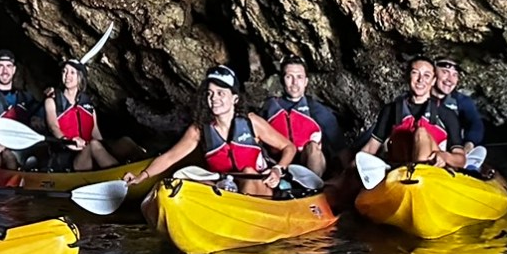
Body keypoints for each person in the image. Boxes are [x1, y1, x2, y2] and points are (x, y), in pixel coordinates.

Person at [127, 65, 301, 200]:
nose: (214, 98)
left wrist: (278, 170)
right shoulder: (199, 130)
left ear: (235, 98)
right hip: (225, 187)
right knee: (182, 182)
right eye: (210, 94)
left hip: (258, 187)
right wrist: (141, 177)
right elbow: (170, 157)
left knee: (248, 172)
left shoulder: (252, 122)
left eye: (220, 93)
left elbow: (289, 147)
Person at [361, 55, 472, 170]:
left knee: (421, 133)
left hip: (431, 173)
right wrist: (352, 167)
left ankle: (419, 173)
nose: (420, 80)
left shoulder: (446, 114)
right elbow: (370, 148)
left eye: (426, 75)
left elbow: (461, 159)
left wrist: (445, 156)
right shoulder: (391, 110)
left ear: (433, 81)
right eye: (415, 73)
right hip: (399, 171)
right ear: (407, 76)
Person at [263, 55, 341, 179]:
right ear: (282, 80)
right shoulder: (270, 108)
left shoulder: (318, 110)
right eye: (289, 77)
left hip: (308, 165)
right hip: (278, 165)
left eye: (299, 77)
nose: (294, 83)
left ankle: (314, 189)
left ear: (306, 81)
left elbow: (340, 149)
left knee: (313, 147)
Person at [42, 59, 118, 170]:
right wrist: (67, 141)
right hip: (68, 159)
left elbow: (95, 133)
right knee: (93, 145)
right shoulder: (51, 101)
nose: (67, 75)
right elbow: (53, 127)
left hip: (89, 151)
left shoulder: (88, 105)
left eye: (72, 72)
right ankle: (122, 176)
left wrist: (107, 149)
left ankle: (142, 170)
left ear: (80, 77)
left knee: (125, 142)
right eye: (64, 71)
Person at [433, 57, 487, 146]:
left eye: (454, 75)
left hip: (452, 150)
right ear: (433, 73)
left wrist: (469, 143)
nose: (450, 79)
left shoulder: (461, 100)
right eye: (445, 72)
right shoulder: (418, 98)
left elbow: (475, 122)